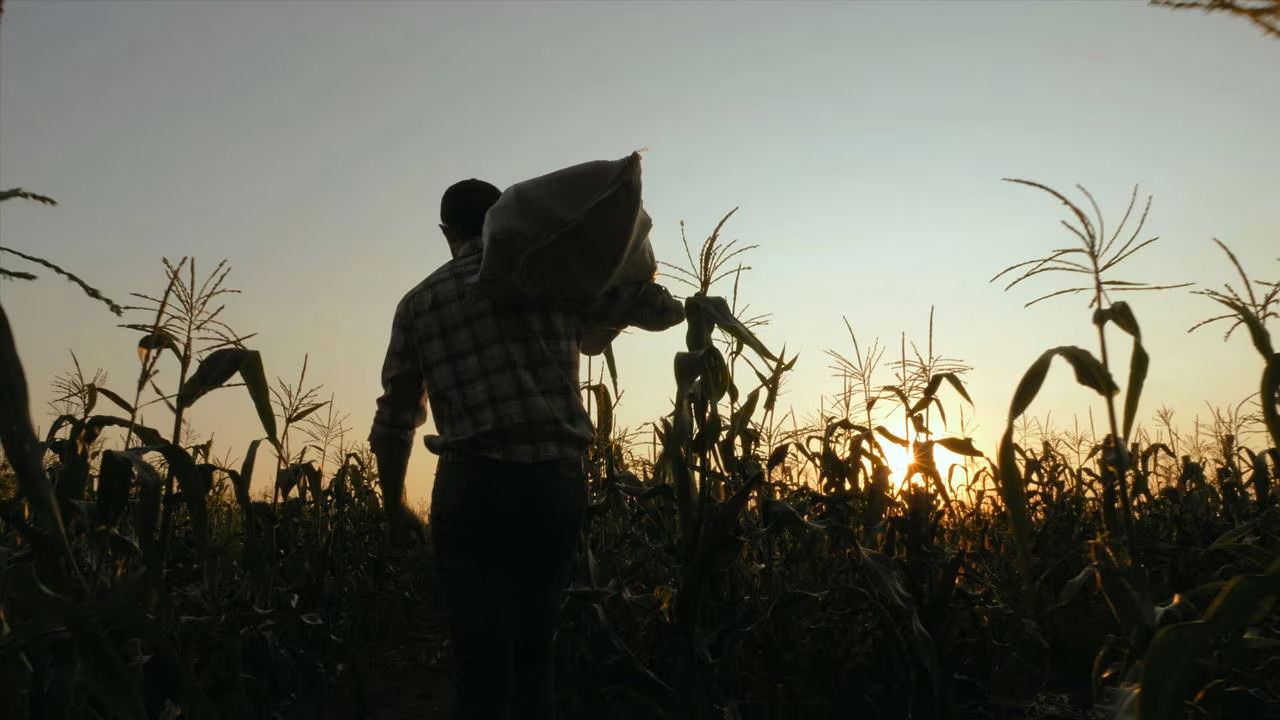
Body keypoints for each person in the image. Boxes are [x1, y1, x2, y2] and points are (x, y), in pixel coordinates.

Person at [369, 178, 685, 720]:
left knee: (478, 662)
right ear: (504, 218)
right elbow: (663, 312)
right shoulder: (546, 271)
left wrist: (393, 504)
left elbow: (394, 421)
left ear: (448, 232)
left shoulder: (418, 303)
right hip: (551, 487)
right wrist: (628, 262)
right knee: (537, 652)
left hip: (472, 491)